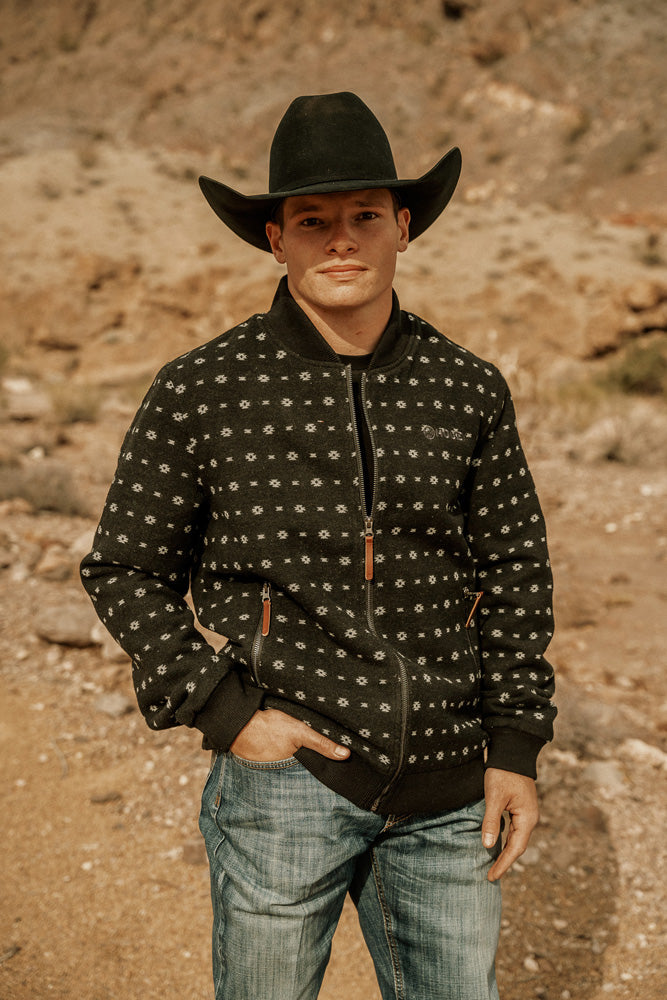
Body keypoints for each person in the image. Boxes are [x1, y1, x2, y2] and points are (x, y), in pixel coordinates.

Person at [81, 92, 556, 1000]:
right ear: (276, 239)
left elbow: (514, 573)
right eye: (312, 221)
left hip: (450, 789)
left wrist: (515, 746)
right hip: (284, 782)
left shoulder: (468, 388)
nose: (341, 240)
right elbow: (125, 567)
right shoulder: (201, 388)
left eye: (363, 217)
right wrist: (224, 712)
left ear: (402, 227)